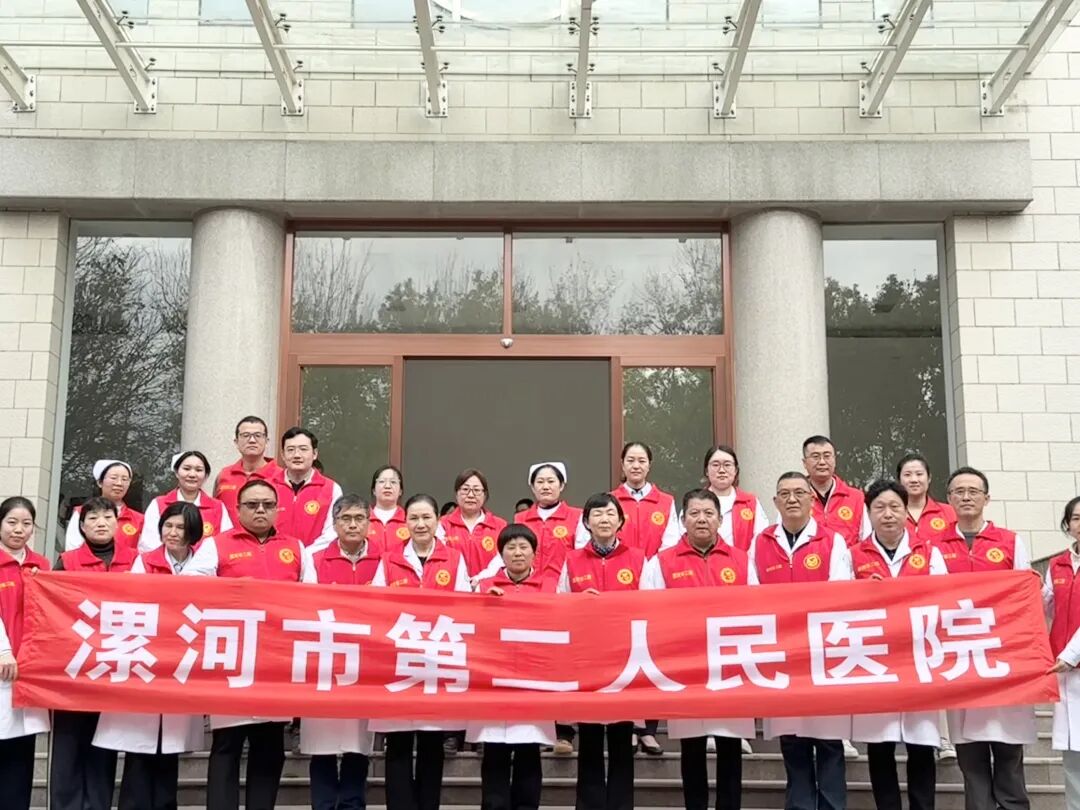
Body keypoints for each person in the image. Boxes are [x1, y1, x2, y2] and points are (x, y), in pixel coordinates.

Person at [182, 479, 309, 810]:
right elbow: (191, 586)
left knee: (270, 747)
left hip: (276, 662)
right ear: (237, 510)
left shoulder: (296, 547)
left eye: (268, 504)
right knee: (227, 744)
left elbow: (312, 597)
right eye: (252, 505)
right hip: (232, 659)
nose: (260, 510)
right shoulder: (217, 545)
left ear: (278, 509)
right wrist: (238, 589)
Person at [642, 488, 756, 810]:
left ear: (720, 520)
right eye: (694, 513)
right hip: (686, 669)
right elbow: (649, 613)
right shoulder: (661, 562)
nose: (702, 519)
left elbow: (756, 609)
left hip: (731, 668)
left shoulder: (741, 560)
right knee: (691, 750)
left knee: (730, 749)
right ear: (682, 519)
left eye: (709, 513)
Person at [749, 472, 853, 810]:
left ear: (811, 500)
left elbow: (841, 593)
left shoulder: (832, 541)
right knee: (792, 742)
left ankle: (832, 805)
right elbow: (751, 596)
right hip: (782, 655)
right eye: (784, 494)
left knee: (829, 741)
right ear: (775, 502)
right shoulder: (760, 542)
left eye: (799, 493)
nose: (792, 499)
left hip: (824, 654)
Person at [93, 502, 205, 810]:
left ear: (193, 532)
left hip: (181, 660)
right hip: (147, 658)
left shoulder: (204, 564)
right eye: (168, 526)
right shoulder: (144, 561)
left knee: (170, 749)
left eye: (180, 527)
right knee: (139, 747)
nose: (173, 532)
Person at [936, 466, 1035, 810]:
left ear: (986, 498)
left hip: (1002, 658)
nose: (966, 497)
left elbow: (1025, 598)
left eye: (973, 491)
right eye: (959, 491)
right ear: (949, 499)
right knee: (971, 755)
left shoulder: (1009, 541)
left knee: (1008, 750)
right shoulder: (935, 546)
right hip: (959, 659)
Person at [850, 479, 947, 810]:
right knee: (880, 747)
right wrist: (863, 594)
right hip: (874, 660)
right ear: (868, 513)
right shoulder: (853, 556)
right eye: (879, 507)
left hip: (919, 658)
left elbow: (944, 598)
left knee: (921, 746)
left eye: (895, 507)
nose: (888, 514)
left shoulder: (929, 552)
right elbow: (838, 603)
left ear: (907, 511)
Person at [371, 493, 471, 810]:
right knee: (398, 742)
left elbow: (465, 605)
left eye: (427, 517)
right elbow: (376, 604)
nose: (420, 524)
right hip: (399, 661)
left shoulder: (453, 558)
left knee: (432, 742)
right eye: (414, 518)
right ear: (405, 523)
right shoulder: (390, 559)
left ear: (438, 521)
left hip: (438, 662)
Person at [558, 492, 643, 810]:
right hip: (588, 660)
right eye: (597, 514)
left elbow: (651, 604)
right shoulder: (572, 560)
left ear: (621, 521)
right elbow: (560, 604)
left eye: (610, 514)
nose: (604, 519)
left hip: (625, 659)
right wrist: (580, 604)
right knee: (590, 739)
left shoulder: (638, 558)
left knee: (622, 740)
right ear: (586, 522)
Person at [52, 497, 136, 810]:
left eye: (107, 517)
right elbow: (51, 608)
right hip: (74, 666)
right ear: (82, 526)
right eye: (93, 518)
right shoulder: (66, 561)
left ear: (118, 523)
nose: (101, 523)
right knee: (68, 746)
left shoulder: (135, 561)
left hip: (115, 664)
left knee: (104, 746)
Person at [300, 494, 383, 810]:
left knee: (357, 742)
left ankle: (352, 802)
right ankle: (322, 803)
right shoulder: (315, 558)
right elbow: (307, 606)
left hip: (365, 661)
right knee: (321, 741)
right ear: (334, 525)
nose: (352, 525)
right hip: (324, 659)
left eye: (359, 518)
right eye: (345, 519)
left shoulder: (384, 559)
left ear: (369, 524)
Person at [469, 524, 556, 810]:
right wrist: (484, 605)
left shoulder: (550, 587)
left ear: (534, 553)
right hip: (494, 682)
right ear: (501, 554)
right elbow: (469, 627)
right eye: (511, 548)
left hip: (533, 680)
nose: (517, 553)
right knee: (494, 754)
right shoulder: (484, 587)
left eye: (523, 547)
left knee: (529, 753)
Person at [0, 496, 51, 810]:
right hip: (2, 665)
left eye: (26, 523)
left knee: (21, 753)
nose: (19, 529)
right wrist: (3, 650)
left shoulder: (41, 566)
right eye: (12, 522)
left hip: (29, 673)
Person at [1046, 495, 1080, 810]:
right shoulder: (1057, 564)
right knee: (1072, 756)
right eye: (1077, 518)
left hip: (1071, 662)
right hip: (1064, 673)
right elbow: (1041, 604)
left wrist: (1070, 655)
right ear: (1067, 525)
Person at [139, 450, 232, 552]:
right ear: (176, 472)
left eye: (199, 470)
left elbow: (226, 543)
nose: (192, 474)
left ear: (206, 476)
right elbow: (149, 544)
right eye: (186, 469)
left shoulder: (218, 507)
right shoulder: (158, 504)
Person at [270, 427, 341, 551]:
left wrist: (305, 555)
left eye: (303, 449)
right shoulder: (267, 487)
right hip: (273, 557)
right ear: (283, 455)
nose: (297, 455)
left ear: (315, 454)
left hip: (314, 559)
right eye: (290, 450)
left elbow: (332, 532)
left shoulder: (331, 489)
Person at [801, 435, 870, 547]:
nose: (822, 462)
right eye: (815, 457)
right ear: (804, 463)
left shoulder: (856, 497)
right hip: (809, 557)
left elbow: (866, 540)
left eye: (827, 456)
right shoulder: (796, 498)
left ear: (834, 460)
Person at [513, 462, 579, 580]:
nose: (545, 486)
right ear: (532, 487)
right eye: (540, 482)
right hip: (528, 584)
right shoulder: (520, 519)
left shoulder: (577, 516)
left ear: (561, 486)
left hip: (562, 586)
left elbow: (582, 556)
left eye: (551, 481)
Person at [438, 468, 508, 577]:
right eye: (465, 489)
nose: (471, 495)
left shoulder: (500, 525)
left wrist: (482, 578)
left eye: (476, 490)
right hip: (452, 584)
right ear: (456, 494)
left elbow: (504, 560)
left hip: (488, 585)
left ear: (485, 495)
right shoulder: (443, 524)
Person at [64, 458, 144, 552]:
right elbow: (73, 549)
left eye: (124, 479)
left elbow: (144, 552)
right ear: (100, 482)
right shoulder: (82, 512)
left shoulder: (139, 519)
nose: (119, 483)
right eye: (114, 478)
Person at [214, 415, 281, 526]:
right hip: (229, 537)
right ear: (236, 442)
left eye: (258, 435)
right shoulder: (224, 475)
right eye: (246, 435)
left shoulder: (281, 476)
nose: (252, 440)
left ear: (266, 441)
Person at [703, 444, 769, 551]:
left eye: (727, 465)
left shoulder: (750, 502)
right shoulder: (695, 502)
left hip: (743, 561)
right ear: (706, 470)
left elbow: (761, 538)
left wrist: (745, 560)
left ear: (736, 470)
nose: (721, 470)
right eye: (715, 465)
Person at [896, 452, 956, 541]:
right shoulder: (891, 514)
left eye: (919, 474)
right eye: (907, 475)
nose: (914, 480)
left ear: (929, 478)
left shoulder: (949, 512)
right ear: (899, 480)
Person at [368, 465, 408, 546]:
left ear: (400, 491)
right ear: (374, 490)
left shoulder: (408, 519)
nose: (387, 486)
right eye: (382, 481)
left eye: (393, 482)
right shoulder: (364, 518)